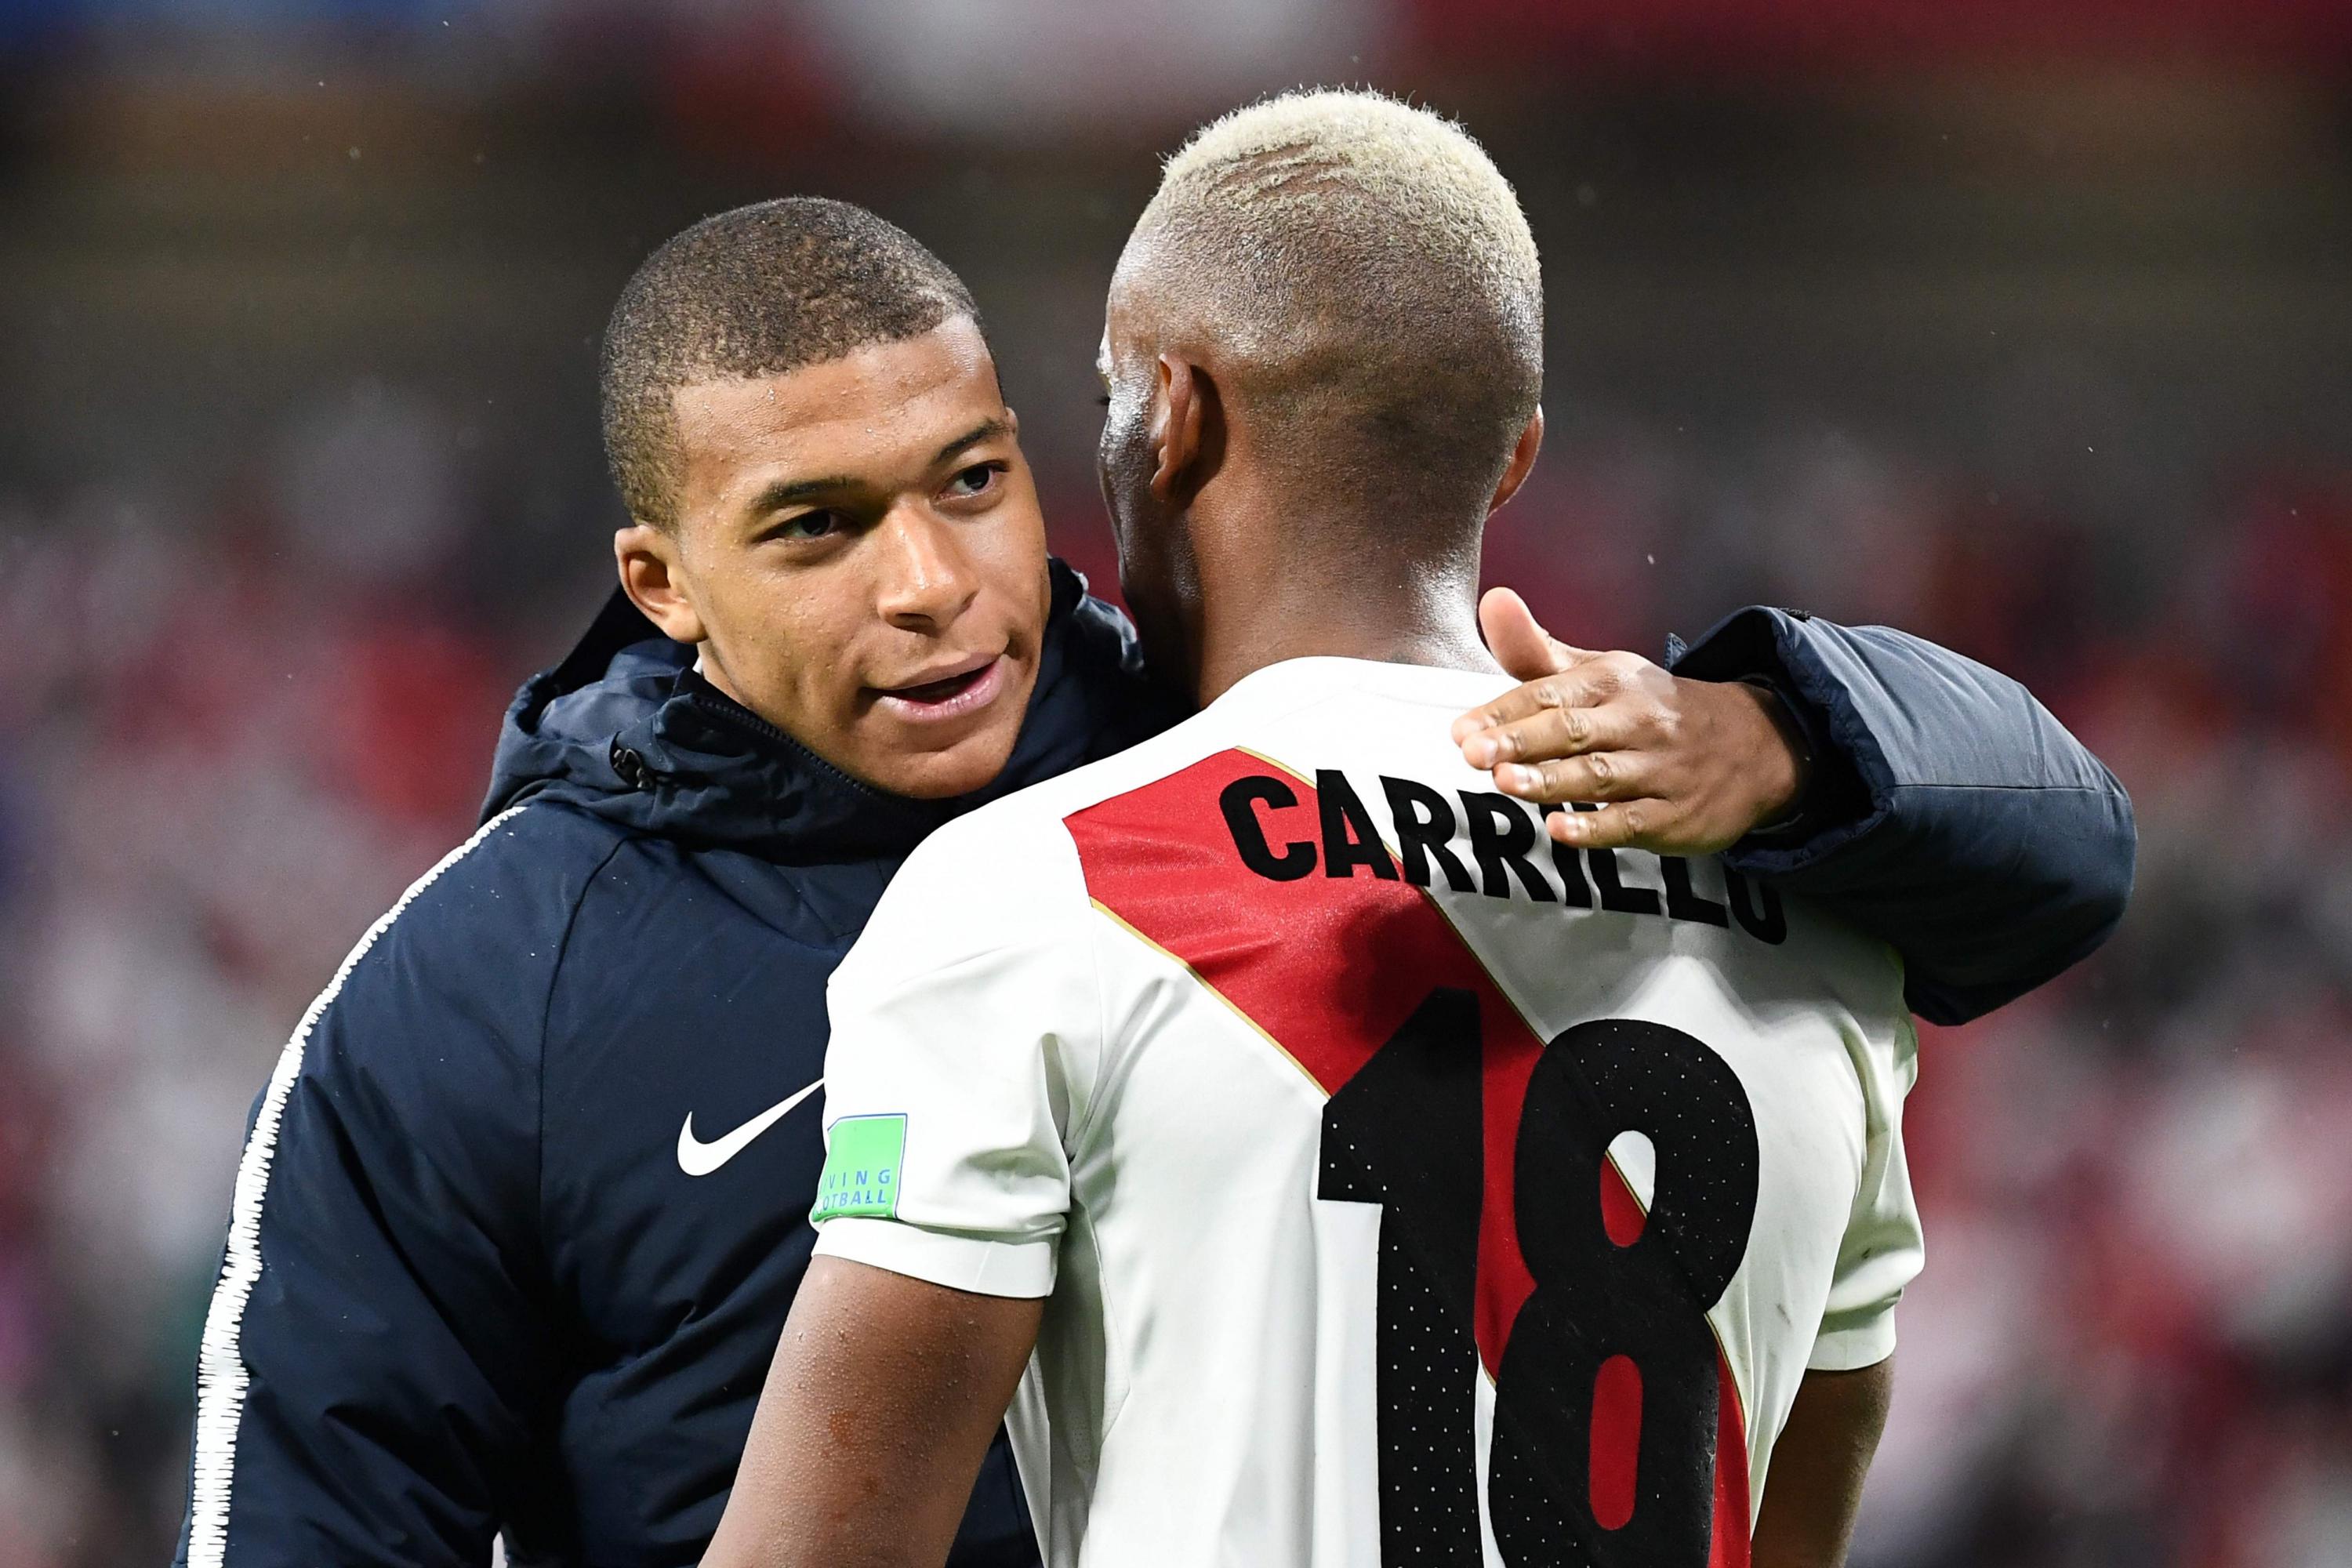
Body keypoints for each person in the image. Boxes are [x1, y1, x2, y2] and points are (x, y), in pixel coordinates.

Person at [177, 191, 2129, 1566]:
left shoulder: (1195, 758)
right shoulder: (469, 997)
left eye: (970, 478)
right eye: (819, 526)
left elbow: (2061, 847)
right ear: (662, 585)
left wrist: (1791, 730)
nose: (933, 583)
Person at [706, 92, 1973, 1568]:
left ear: (1170, 417)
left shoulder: (1031, 896)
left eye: (1108, 394)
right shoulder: (1827, 942)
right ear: (1513, 459)